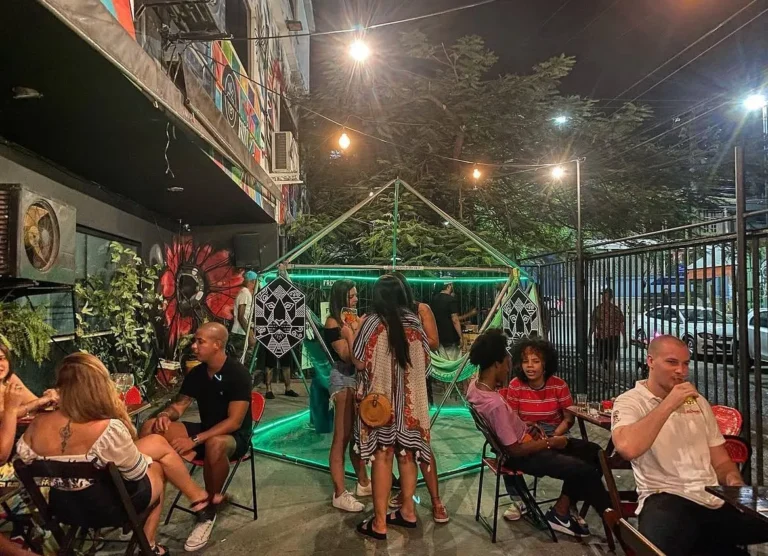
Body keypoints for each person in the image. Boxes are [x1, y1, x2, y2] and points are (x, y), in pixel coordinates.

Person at [17, 353, 216, 555]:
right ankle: (149, 544)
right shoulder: (106, 428)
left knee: (156, 443)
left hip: (62, 509)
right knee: (156, 466)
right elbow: (135, 474)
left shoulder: (37, 425)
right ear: (99, 386)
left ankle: (198, 500)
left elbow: (23, 465)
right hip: (108, 509)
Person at [611, 335, 768, 555]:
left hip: (712, 498)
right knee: (660, 543)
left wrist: (734, 485)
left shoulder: (698, 402)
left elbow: (722, 461)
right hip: (665, 497)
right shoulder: (631, 401)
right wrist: (669, 403)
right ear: (650, 361)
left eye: (686, 363)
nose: (681, 371)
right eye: (672, 362)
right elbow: (627, 448)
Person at [467, 330, 611, 537]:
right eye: (508, 361)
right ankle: (612, 517)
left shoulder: (475, 387)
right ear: (497, 364)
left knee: (595, 452)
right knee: (585, 470)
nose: (511, 366)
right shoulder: (495, 403)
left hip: (528, 438)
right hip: (522, 455)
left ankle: (561, 512)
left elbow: (505, 425)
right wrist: (552, 443)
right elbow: (515, 450)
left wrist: (523, 424)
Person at [140, 322, 252, 551]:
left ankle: (209, 508)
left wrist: (194, 440)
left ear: (217, 345)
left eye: (200, 341)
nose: (194, 346)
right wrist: (166, 414)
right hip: (205, 430)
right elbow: (181, 405)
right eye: (195, 340)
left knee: (214, 444)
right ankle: (147, 497)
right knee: (152, 426)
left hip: (233, 437)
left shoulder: (237, 373)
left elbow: (234, 422)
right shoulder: (198, 372)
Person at [350, 275, 432, 540]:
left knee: (382, 457)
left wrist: (353, 332)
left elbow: (360, 362)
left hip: (380, 408)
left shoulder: (371, 323)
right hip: (411, 408)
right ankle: (407, 511)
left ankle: (380, 523)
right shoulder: (414, 323)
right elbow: (427, 364)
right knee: (408, 455)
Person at [391, 272, 449, 524]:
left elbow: (434, 342)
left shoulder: (420, 309)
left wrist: (409, 337)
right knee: (398, 446)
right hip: (392, 385)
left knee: (421, 443)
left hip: (415, 382)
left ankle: (436, 501)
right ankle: (406, 496)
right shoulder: (386, 314)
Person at [323, 279, 370, 512]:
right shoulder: (333, 322)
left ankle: (363, 482)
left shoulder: (352, 320)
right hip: (343, 380)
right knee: (341, 437)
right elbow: (346, 356)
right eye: (351, 296)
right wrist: (355, 333)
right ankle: (339, 492)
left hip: (357, 380)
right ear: (341, 298)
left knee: (356, 436)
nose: (356, 300)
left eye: (356, 295)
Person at [507, 337, 574, 437]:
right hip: (526, 433)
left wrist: (553, 437)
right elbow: (513, 421)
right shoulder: (515, 385)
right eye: (525, 361)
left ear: (545, 364)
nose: (530, 365)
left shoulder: (559, 385)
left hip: (556, 433)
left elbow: (569, 419)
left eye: (536, 361)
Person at [0, 344, 58, 421]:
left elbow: (33, 404)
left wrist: (50, 398)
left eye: (1, 359)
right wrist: (40, 401)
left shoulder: (10, 379)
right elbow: (4, 415)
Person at [588, 288, 626, 385]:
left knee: (612, 359)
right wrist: (589, 336)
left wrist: (624, 338)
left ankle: (611, 379)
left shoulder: (616, 310)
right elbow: (593, 324)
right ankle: (609, 376)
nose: (603, 297)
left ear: (610, 297)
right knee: (601, 358)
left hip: (613, 337)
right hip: (600, 337)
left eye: (606, 295)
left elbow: (621, 326)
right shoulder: (597, 309)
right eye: (603, 295)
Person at [230, 270, 258, 364]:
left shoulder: (245, 293)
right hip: (240, 333)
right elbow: (241, 316)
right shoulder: (245, 293)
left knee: (242, 362)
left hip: (241, 332)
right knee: (244, 362)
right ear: (253, 281)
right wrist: (249, 334)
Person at [430, 282, 462, 360]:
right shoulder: (451, 300)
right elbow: (455, 319)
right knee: (453, 362)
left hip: (438, 336)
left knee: (443, 361)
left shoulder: (433, 299)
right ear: (449, 286)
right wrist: (461, 337)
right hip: (450, 338)